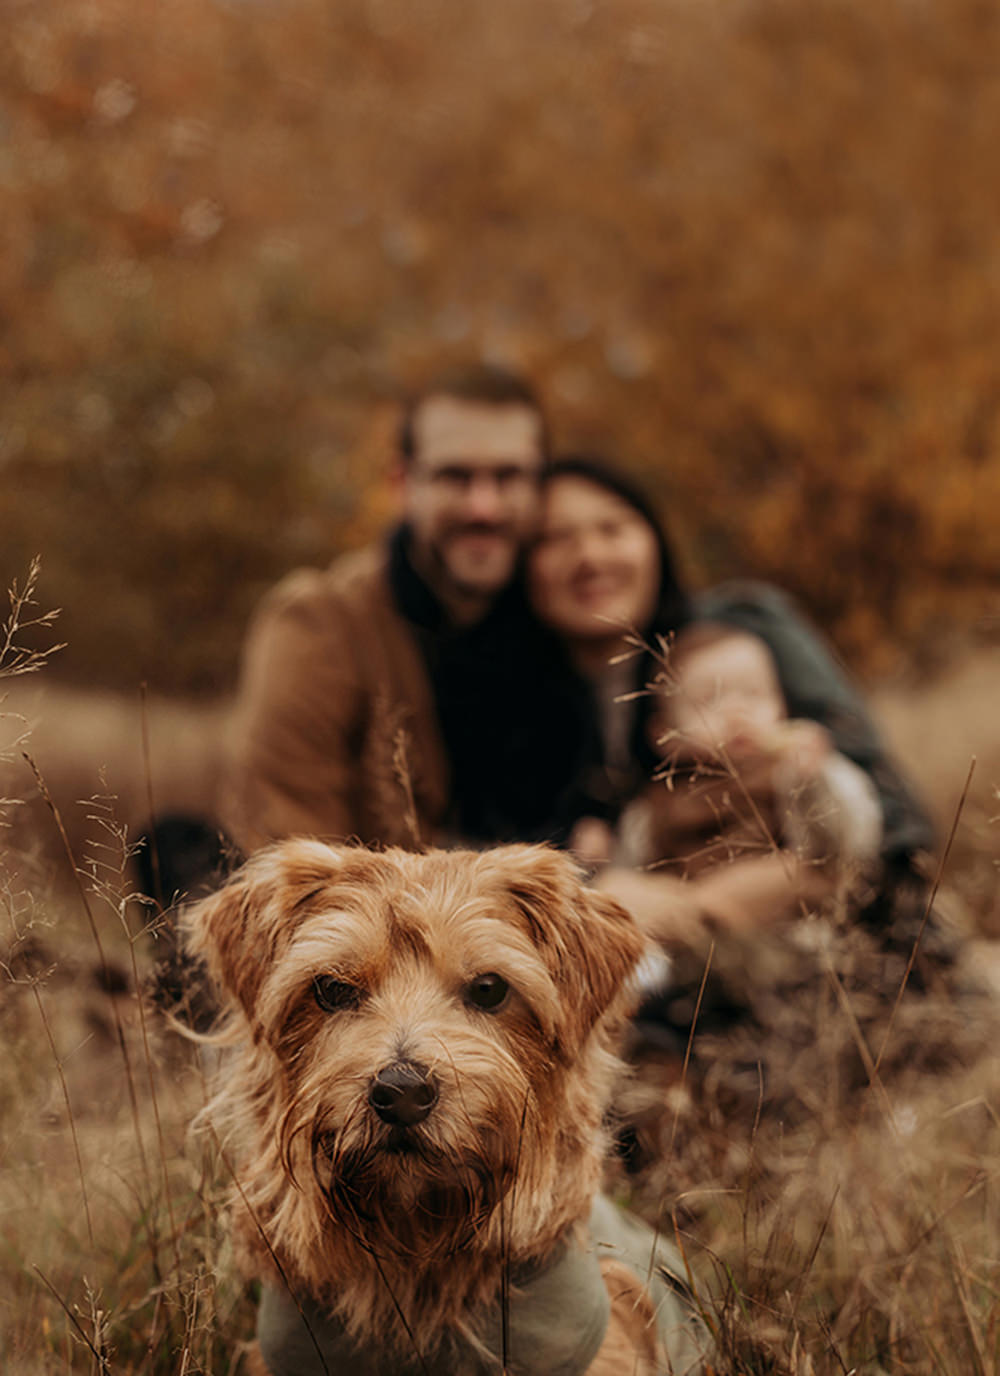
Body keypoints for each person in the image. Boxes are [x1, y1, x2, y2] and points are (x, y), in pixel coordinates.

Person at [527, 455, 934, 945]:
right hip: (666, 952)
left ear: (654, 537)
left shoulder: (738, 632)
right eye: (556, 538)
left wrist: (800, 873)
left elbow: (890, 811)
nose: (589, 555)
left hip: (834, 935)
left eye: (612, 528)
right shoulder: (526, 702)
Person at [223, 365, 588, 854]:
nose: (484, 507)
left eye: (508, 476)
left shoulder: (569, 609)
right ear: (402, 484)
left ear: (541, 485)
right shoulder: (322, 623)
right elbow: (293, 858)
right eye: (455, 477)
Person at [577, 619, 884, 891]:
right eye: (711, 700)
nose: (738, 713)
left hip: (793, 929)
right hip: (697, 939)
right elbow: (631, 875)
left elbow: (856, 842)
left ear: (783, 706)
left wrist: (814, 779)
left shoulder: (793, 771)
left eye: (753, 694)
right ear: (664, 735)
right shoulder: (656, 804)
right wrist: (597, 863)